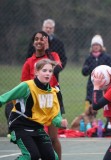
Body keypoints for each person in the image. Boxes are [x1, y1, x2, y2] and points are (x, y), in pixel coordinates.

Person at [0, 59, 68, 160]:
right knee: (31, 156)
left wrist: (60, 122)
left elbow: (55, 116)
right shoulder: (27, 86)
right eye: (44, 70)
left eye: (50, 71)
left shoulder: (53, 93)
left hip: (37, 127)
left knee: (52, 157)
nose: (47, 73)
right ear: (36, 72)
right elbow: (4, 98)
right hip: (20, 125)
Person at [21, 31, 64, 160]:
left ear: (47, 42)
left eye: (42, 39)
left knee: (53, 137)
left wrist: (48, 52)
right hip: (35, 103)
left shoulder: (54, 56)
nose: (39, 41)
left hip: (51, 99)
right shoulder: (29, 62)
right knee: (36, 135)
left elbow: (57, 69)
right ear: (33, 42)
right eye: (37, 39)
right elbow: (23, 85)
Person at [82, 34, 111, 111]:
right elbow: (84, 72)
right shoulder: (89, 58)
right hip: (91, 85)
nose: (95, 46)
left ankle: (108, 121)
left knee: (105, 103)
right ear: (91, 47)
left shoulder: (107, 57)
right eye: (94, 45)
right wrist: (87, 68)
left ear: (101, 46)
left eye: (97, 45)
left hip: (105, 84)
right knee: (90, 103)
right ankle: (89, 121)